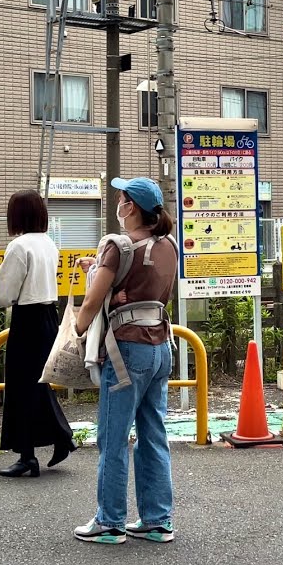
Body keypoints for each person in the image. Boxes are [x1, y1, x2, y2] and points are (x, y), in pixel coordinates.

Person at [72, 177, 179, 545]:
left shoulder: (118, 246)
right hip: (161, 346)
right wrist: (101, 268)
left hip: (126, 350)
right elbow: (148, 286)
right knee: (153, 434)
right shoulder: (169, 245)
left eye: (121, 199)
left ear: (130, 206)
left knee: (114, 437)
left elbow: (92, 301)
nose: (118, 204)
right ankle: (157, 520)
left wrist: (77, 329)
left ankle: (110, 522)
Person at [0, 190, 75, 477]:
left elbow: (3, 294)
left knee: (21, 386)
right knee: (38, 384)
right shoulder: (49, 244)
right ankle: (55, 440)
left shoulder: (19, 246)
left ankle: (30, 454)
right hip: (48, 316)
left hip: (27, 319)